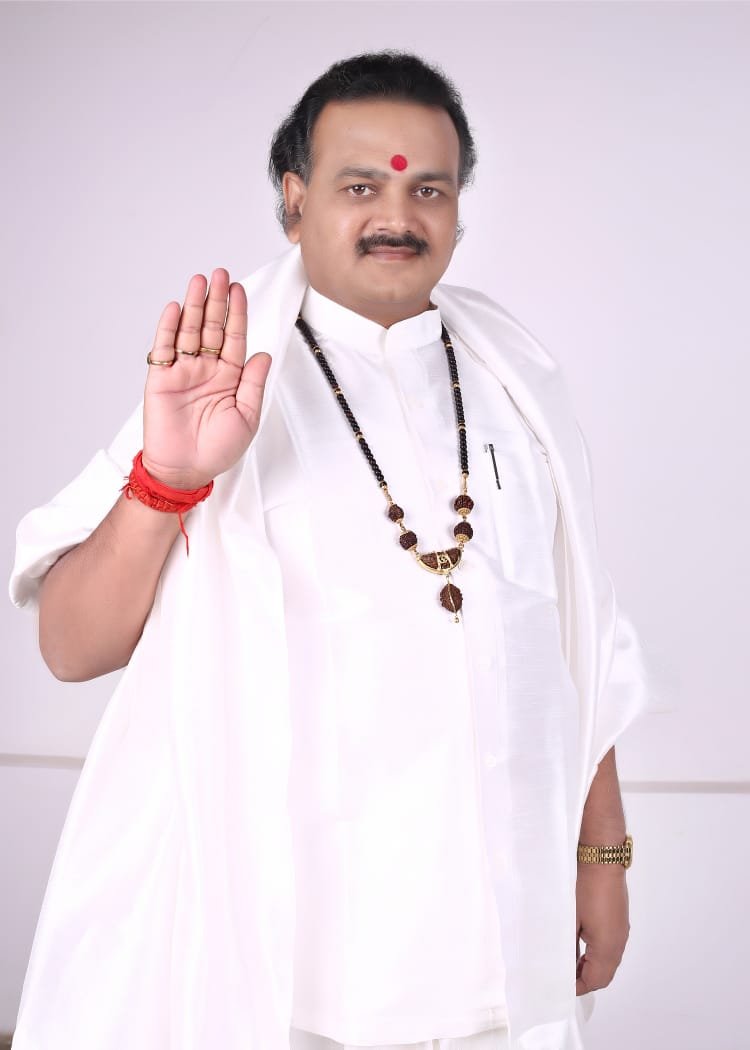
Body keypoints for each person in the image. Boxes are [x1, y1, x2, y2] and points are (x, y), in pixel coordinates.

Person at [9, 51, 650, 1050]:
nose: (398, 214)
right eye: (361, 186)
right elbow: (69, 644)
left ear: (459, 211)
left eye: (428, 188)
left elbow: (572, 636)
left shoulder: (517, 381)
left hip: (503, 941)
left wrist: (601, 857)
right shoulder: (219, 374)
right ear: (293, 199)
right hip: (300, 970)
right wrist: (168, 478)